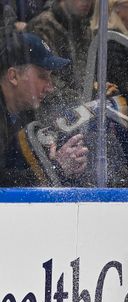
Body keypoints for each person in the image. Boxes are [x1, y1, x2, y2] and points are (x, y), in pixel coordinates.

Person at [0, 31, 88, 186]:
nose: (50, 88)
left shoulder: (25, 112)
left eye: (50, 77)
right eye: (42, 76)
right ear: (13, 76)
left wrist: (68, 168)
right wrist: (56, 169)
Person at [27, 0, 94, 106]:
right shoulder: (41, 26)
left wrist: (95, 88)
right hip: (50, 107)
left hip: (81, 104)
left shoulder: (85, 29)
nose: (87, 2)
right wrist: (81, 98)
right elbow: (43, 80)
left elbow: (86, 71)